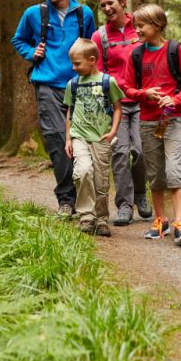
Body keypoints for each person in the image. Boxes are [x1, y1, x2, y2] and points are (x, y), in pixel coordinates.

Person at [11, 0, 96, 217]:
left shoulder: (85, 14)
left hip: (77, 85)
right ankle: (66, 201)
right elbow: (18, 39)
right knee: (58, 141)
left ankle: (87, 199)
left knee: (81, 141)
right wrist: (31, 52)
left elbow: (92, 48)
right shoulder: (34, 14)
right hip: (46, 83)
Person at [122, 4, 181, 245]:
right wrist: (146, 94)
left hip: (174, 119)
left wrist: (174, 99)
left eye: (141, 25)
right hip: (147, 120)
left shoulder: (175, 49)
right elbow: (127, 88)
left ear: (157, 25)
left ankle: (179, 223)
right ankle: (160, 220)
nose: (137, 29)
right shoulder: (135, 55)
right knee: (154, 172)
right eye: (136, 25)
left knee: (174, 169)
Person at [90, 0, 152, 226]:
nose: (106, 8)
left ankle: (141, 196)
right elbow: (97, 72)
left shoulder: (140, 28)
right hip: (116, 105)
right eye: (102, 5)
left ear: (122, 2)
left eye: (110, 3)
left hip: (143, 100)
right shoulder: (99, 36)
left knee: (140, 151)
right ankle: (124, 206)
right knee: (119, 153)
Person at [63, 39, 123, 236]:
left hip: (101, 137)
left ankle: (101, 218)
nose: (74, 67)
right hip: (79, 136)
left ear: (91, 60)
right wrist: (68, 139)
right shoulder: (73, 84)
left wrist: (113, 131)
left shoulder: (108, 82)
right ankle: (86, 217)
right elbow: (70, 113)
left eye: (77, 63)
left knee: (101, 179)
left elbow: (117, 109)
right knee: (83, 172)